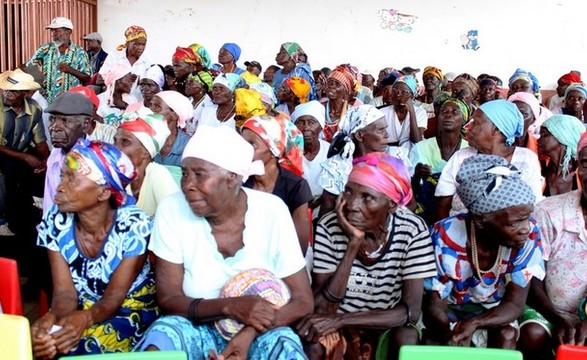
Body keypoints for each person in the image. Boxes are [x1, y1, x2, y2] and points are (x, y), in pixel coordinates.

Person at [134, 125, 313, 359]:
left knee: (284, 345)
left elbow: (302, 301)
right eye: (185, 173)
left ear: (232, 177)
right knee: (164, 335)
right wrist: (229, 307)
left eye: (199, 174)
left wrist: (248, 334)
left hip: (259, 331)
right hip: (196, 326)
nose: (187, 183)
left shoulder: (272, 211)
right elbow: (169, 299)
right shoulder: (172, 209)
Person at [300, 152, 437, 360]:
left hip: (383, 323)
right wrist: (353, 244)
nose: (352, 205)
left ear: (391, 205)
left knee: (407, 337)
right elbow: (322, 307)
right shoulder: (329, 226)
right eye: (348, 191)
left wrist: (342, 320)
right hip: (335, 322)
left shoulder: (412, 229)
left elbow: (410, 312)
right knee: (313, 341)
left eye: (367, 197)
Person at [31, 139, 159, 358]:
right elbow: (64, 293)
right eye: (62, 176)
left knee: (79, 349)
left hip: (131, 310)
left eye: (72, 179)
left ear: (103, 193)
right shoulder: (56, 220)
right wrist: (51, 319)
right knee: (50, 345)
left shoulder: (134, 226)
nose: (60, 187)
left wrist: (85, 319)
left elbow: (114, 298)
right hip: (82, 306)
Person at [424, 154, 545, 349]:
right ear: (480, 220)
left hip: (495, 310)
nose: (525, 228)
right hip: (449, 309)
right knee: (435, 340)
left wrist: (474, 323)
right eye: (514, 222)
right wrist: (450, 336)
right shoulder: (443, 237)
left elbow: (515, 304)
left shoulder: (529, 235)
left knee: (506, 334)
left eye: (526, 218)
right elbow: (435, 304)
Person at [520, 131, 587, 359]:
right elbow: (533, 279)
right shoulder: (549, 211)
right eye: (586, 163)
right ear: (578, 166)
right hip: (550, 309)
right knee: (533, 333)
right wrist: (559, 320)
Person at [435, 100, 543, 220]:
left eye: (475, 122)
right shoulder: (461, 157)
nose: (467, 127)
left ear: (496, 129)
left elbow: (534, 207)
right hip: (461, 232)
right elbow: (443, 205)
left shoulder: (526, 159)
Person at [241, 115, 313, 255]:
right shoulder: (240, 181)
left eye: (252, 144)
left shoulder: (296, 186)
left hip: (285, 258)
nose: (244, 150)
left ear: (274, 149)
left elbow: (299, 247)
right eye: (242, 144)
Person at [317, 105, 390, 219]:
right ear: (359, 135)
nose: (387, 135)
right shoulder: (337, 169)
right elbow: (325, 215)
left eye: (385, 129)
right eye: (381, 130)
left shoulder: (390, 163)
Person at [0, 69, 49, 235]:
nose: (7, 94)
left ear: (25, 93)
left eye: (13, 91)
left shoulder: (34, 108)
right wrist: (26, 157)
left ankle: (37, 213)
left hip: (18, 155)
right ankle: (1, 221)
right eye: (6, 90)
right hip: (5, 155)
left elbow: (40, 140)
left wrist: (46, 161)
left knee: (41, 168)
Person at [409, 97, 470, 225]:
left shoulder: (469, 151)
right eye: (444, 111)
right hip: (425, 209)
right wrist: (417, 175)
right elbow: (411, 189)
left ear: (464, 119)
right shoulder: (421, 148)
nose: (448, 114)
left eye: (455, 112)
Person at [114, 112, 179, 216]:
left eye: (125, 142)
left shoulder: (158, 174)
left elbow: (174, 220)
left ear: (146, 151)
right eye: (115, 141)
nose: (115, 148)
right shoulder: (118, 177)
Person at [42, 92, 93, 214]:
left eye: (65, 121)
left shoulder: (93, 161)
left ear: (85, 124)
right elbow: (49, 200)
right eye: (52, 119)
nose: (54, 127)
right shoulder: (55, 154)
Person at [26, 17, 91, 104]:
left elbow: (87, 78)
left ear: (68, 32)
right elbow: (29, 68)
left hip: (70, 103)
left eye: (57, 31)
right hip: (46, 101)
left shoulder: (79, 52)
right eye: (52, 31)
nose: (53, 34)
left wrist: (71, 70)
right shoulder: (45, 49)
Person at [537, 114, 585, 196]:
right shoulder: (539, 169)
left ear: (563, 137)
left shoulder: (582, 172)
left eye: (544, 134)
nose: (538, 140)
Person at [292, 101, 329, 203]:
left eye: (311, 122)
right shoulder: (289, 152)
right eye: (300, 122)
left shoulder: (330, 152)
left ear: (321, 127)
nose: (306, 128)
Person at [99, 26, 150, 98]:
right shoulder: (115, 56)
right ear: (128, 43)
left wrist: (138, 81)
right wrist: (121, 79)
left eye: (143, 44)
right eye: (136, 44)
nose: (140, 48)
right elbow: (99, 79)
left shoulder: (145, 62)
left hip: (136, 99)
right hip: (114, 97)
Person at [380, 75, 427, 150]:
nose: (398, 95)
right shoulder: (382, 112)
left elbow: (417, 141)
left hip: (412, 154)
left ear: (412, 95)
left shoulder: (420, 112)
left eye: (404, 92)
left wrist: (411, 112)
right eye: (395, 91)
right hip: (387, 153)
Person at [150, 91, 193, 169]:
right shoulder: (144, 138)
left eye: (157, 107)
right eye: (151, 105)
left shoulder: (188, 145)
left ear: (174, 115)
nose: (151, 111)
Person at [321, 65, 362, 142]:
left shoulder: (352, 112)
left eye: (337, 84)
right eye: (330, 82)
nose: (332, 86)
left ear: (345, 90)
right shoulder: (319, 108)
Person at [184, 70, 214, 136]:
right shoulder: (189, 100)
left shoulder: (208, 107)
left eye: (191, 82)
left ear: (202, 87)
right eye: (187, 82)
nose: (186, 85)